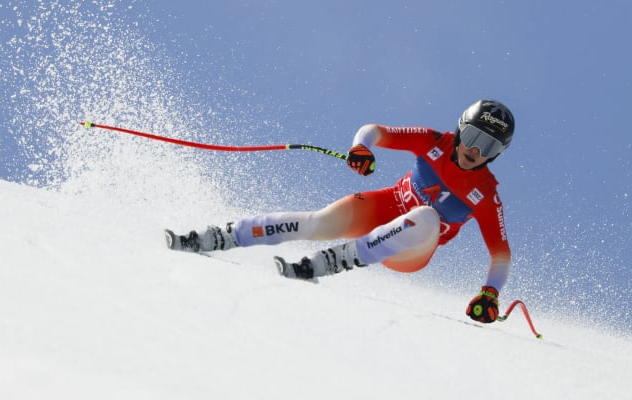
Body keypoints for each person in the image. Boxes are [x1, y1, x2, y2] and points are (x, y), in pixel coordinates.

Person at [165, 99, 515, 324]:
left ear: (497, 153)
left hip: (410, 249)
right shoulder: (432, 141)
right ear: (458, 130)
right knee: (318, 222)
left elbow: (500, 252)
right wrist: (360, 148)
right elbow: (375, 131)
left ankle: (336, 260)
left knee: (427, 218)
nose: (474, 149)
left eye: (488, 145)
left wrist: (490, 293)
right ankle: (220, 236)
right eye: (471, 135)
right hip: (383, 207)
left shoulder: (485, 194)